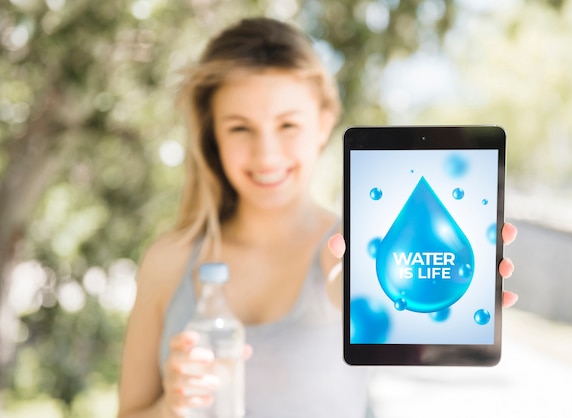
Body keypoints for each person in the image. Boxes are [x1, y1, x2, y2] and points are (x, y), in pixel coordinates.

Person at [117, 17, 518, 418]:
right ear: (213, 135)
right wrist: (171, 407)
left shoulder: (349, 246)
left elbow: (350, 284)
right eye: (240, 128)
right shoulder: (168, 261)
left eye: (288, 124)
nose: (266, 155)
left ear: (324, 124)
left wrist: (435, 286)